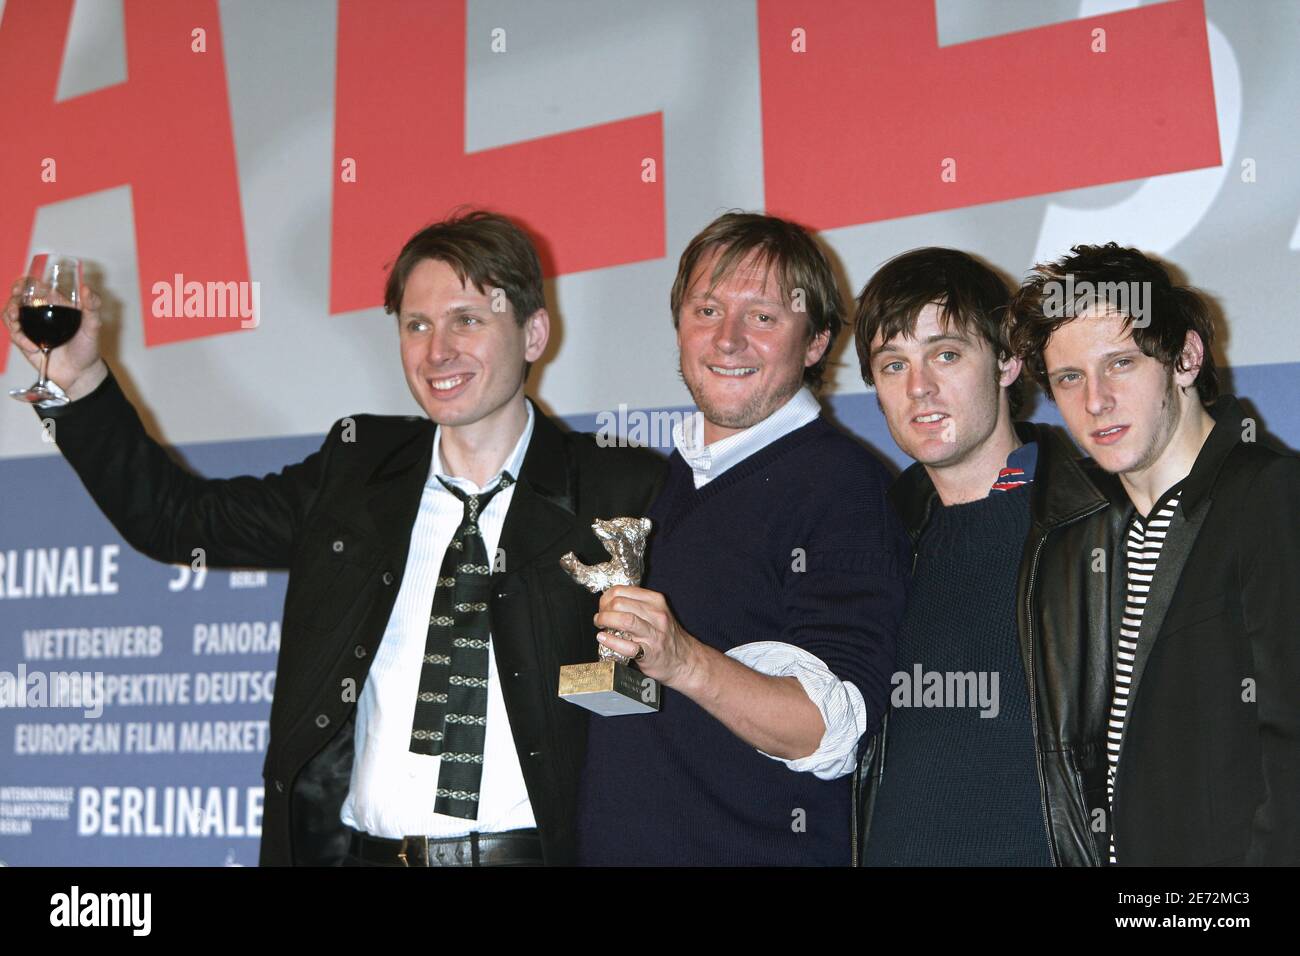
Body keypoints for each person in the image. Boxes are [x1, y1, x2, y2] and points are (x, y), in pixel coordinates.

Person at [3, 209, 665, 866]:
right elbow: (177, 519)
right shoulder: (357, 470)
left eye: (468, 320)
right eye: (416, 325)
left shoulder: (620, 491)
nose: (438, 351)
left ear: (533, 332)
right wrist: (77, 382)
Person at [576, 212, 909, 866]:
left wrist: (686, 662)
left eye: (762, 317)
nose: (727, 340)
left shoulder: (845, 486)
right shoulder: (662, 485)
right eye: (707, 309)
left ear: (815, 343)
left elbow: (832, 728)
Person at [1009, 242, 1299, 865]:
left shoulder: (1272, 496)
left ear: (1186, 359)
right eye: (1069, 378)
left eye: (1120, 364)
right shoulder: (1078, 533)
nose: (1095, 401)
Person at [854, 247, 1125, 866]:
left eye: (946, 354)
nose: (919, 387)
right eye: (893, 364)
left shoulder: (1101, 519)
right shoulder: (875, 537)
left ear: (1008, 361)